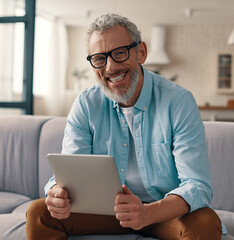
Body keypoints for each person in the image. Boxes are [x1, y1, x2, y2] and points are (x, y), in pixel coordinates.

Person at [26, 13, 223, 240]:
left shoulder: (178, 101)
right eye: (99, 58)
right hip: (106, 213)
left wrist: (148, 213)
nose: (110, 67)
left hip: (164, 212)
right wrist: (56, 194)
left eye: (119, 53)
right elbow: (70, 176)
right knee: (39, 212)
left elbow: (197, 186)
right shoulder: (86, 104)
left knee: (206, 221)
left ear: (141, 52)